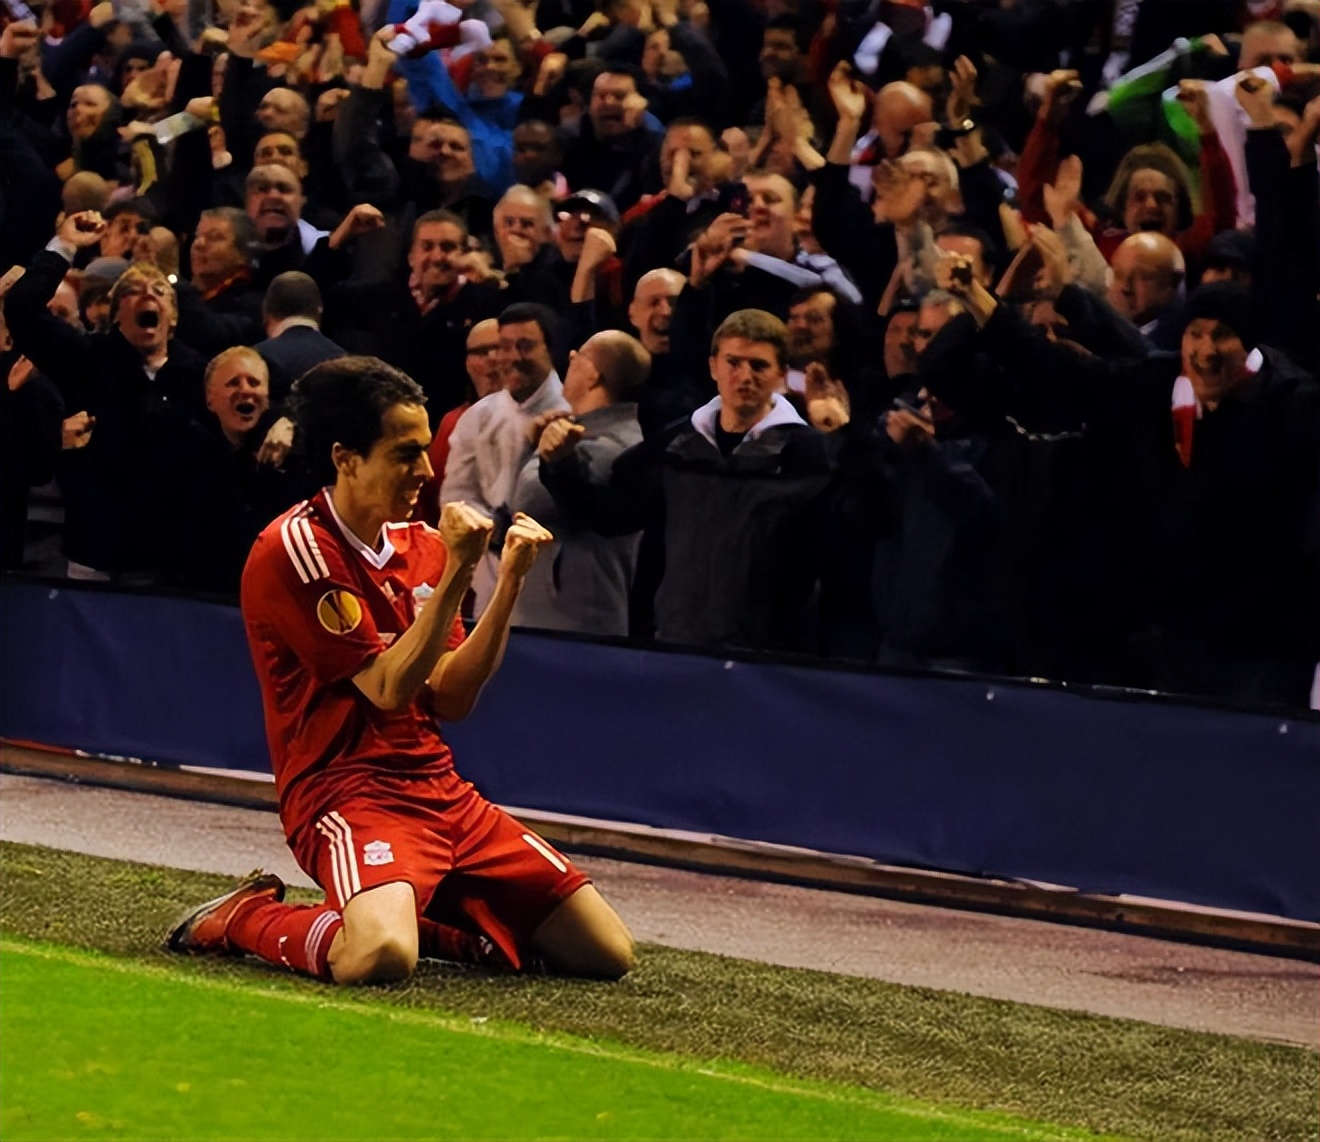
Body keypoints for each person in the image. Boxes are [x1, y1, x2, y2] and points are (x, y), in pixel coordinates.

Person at [167, 355, 634, 985]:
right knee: (377, 958)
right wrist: (461, 573)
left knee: (604, 954)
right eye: (406, 453)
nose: (427, 470)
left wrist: (509, 581)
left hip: (441, 791)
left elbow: (451, 699)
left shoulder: (426, 548)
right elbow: (387, 689)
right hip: (346, 793)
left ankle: (423, 922)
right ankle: (246, 916)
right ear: (346, 458)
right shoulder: (297, 549)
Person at [513, 331, 649, 636]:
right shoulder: (583, 433)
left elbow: (527, 501)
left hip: (578, 627)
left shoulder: (614, 446)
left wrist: (540, 450)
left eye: (583, 354)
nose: (571, 356)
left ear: (593, 376)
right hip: (556, 623)